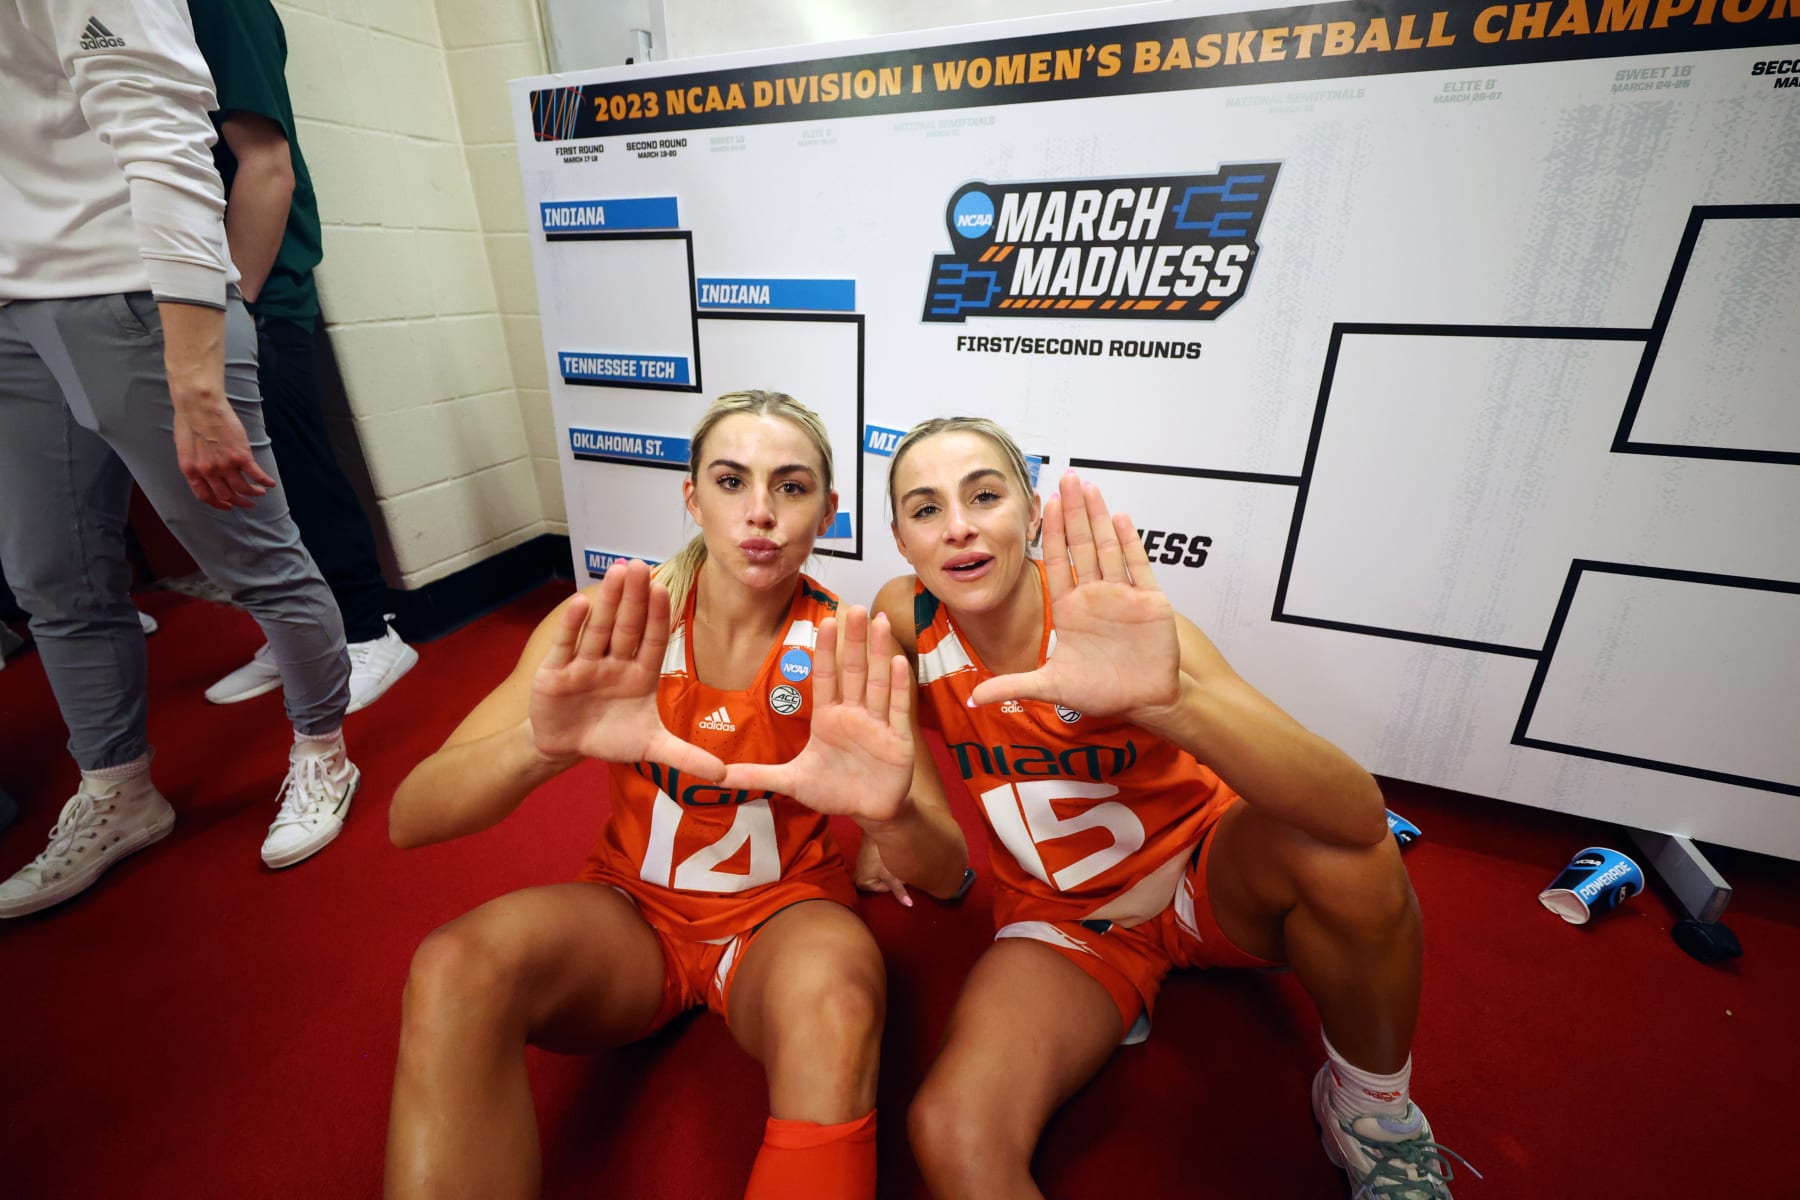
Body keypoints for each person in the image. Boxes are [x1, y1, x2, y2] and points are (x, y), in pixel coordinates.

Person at [384, 391, 968, 1199]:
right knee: (455, 966)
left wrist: (887, 814)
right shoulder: (608, 624)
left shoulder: (849, 651)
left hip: (784, 917)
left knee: (838, 1002)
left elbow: (948, 874)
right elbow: (410, 817)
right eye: (731, 482)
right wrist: (541, 748)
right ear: (691, 496)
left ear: (829, 512)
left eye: (791, 488)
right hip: (632, 916)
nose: (759, 512)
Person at [869, 417, 1473, 1199]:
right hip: (1066, 922)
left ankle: (1370, 1113)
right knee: (951, 1133)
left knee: (1340, 856)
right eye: (925, 510)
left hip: (1204, 874)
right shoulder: (908, 622)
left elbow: (1358, 817)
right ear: (900, 540)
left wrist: (1171, 704)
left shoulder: (1112, 615)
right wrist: (882, 823)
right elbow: (946, 877)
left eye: (983, 495)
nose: (957, 527)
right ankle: (1110, 1002)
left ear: (1032, 511)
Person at [0, 0, 363, 919]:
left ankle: (323, 752)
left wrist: (203, 362)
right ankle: (118, 787)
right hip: (13, 309)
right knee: (52, 577)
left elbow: (171, 134)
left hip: (130, 288)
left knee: (251, 554)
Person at [186, 0, 418, 713]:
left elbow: (266, 162)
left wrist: (236, 306)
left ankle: (366, 631)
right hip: (185, 289)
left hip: (255, 288)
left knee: (296, 464)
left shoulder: (222, 7)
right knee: (244, 486)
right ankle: (300, 634)